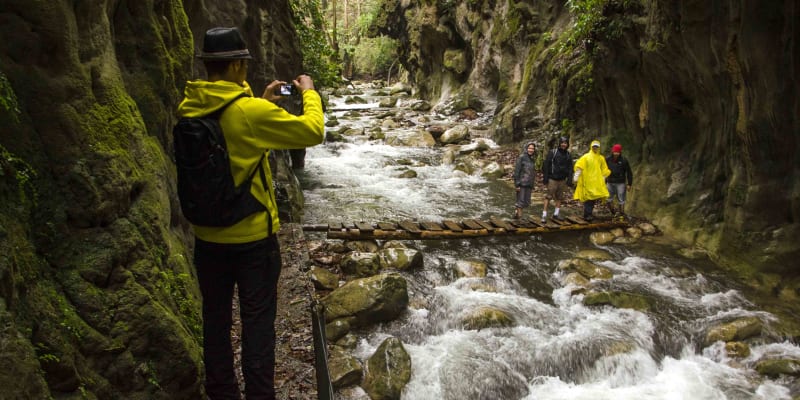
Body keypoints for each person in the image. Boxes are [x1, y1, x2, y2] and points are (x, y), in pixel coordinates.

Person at [177, 27, 324, 399]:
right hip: (252, 242)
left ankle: (221, 392)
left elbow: (232, 133)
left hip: (208, 238)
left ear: (209, 66)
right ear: (240, 64)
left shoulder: (192, 106)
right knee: (257, 327)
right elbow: (313, 130)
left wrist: (261, 99)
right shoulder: (250, 113)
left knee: (216, 321)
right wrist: (309, 93)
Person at [573, 140, 610, 221]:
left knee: (593, 199)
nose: (595, 148)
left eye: (597, 147)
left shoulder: (601, 158)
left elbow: (604, 169)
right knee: (588, 198)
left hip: (596, 182)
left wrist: (603, 178)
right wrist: (576, 176)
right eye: (594, 147)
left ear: (599, 148)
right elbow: (579, 166)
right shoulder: (586, 157)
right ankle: (587, 215)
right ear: (591, 147)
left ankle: (588, 214)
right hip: (588, 181)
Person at [541, 136, 573, 222]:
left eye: (565, 143)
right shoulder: (553, 152)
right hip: (552, 179)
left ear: (567, 144)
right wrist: (545, 178)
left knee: (559, 197)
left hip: (562, 179)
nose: (563, 144)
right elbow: (546, 165)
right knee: (548, 197)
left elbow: (570, 167)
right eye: (562, 143)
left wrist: (570, 179)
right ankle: (544, 215)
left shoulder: (568, 155)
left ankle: (556, 214)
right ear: (559, 143)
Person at [605, 143, 633, 217]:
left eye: (617, 152)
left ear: (620, 152)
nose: (616, 153)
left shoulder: (624, 160)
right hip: (610, 182)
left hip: (620, 183)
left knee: (621, 199)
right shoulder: (607, 159)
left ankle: (621, 214)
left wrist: (629, 184)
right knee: (608, 199)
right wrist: (603, 181)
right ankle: (613, 212)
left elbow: (629, 172)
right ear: (612, 151)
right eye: (615, 152)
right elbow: (603, 170)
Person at [512, 142, 536, 219]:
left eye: (532, 148)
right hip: (521, 183)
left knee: (527, 202)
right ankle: (519, 218)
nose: (531, 150)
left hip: (529, 184)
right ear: (526, 148)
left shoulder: (532, 159)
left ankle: (516, 212)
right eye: (529, 148)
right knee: (521, 202)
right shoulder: (521, 157)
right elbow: (517, 171)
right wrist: (517, 184)